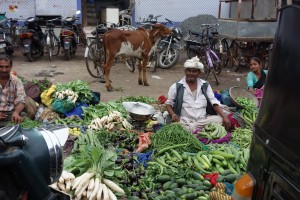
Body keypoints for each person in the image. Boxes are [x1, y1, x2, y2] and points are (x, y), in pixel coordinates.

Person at [165, 56, 231, 132]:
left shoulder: (205, 85)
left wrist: (224, 117)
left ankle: (196, 131)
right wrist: (173, 115)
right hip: (185, 122)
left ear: (199, 72)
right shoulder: (177, 86)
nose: (191, 73)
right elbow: (168, 104)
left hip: (203, 121)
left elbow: (214, 102)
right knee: (178, 127)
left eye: (194, 71)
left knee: (220, 119)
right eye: (189, 71)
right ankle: (197, 131)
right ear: (185, 71)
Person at [0, 54, 26, 127]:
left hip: (10, 113)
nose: (4, 70)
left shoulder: (16, 81)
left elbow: (21, 100)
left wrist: (16, 113)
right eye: (1, 67)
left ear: (11, 67)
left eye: (7, 67)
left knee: (23, 116)